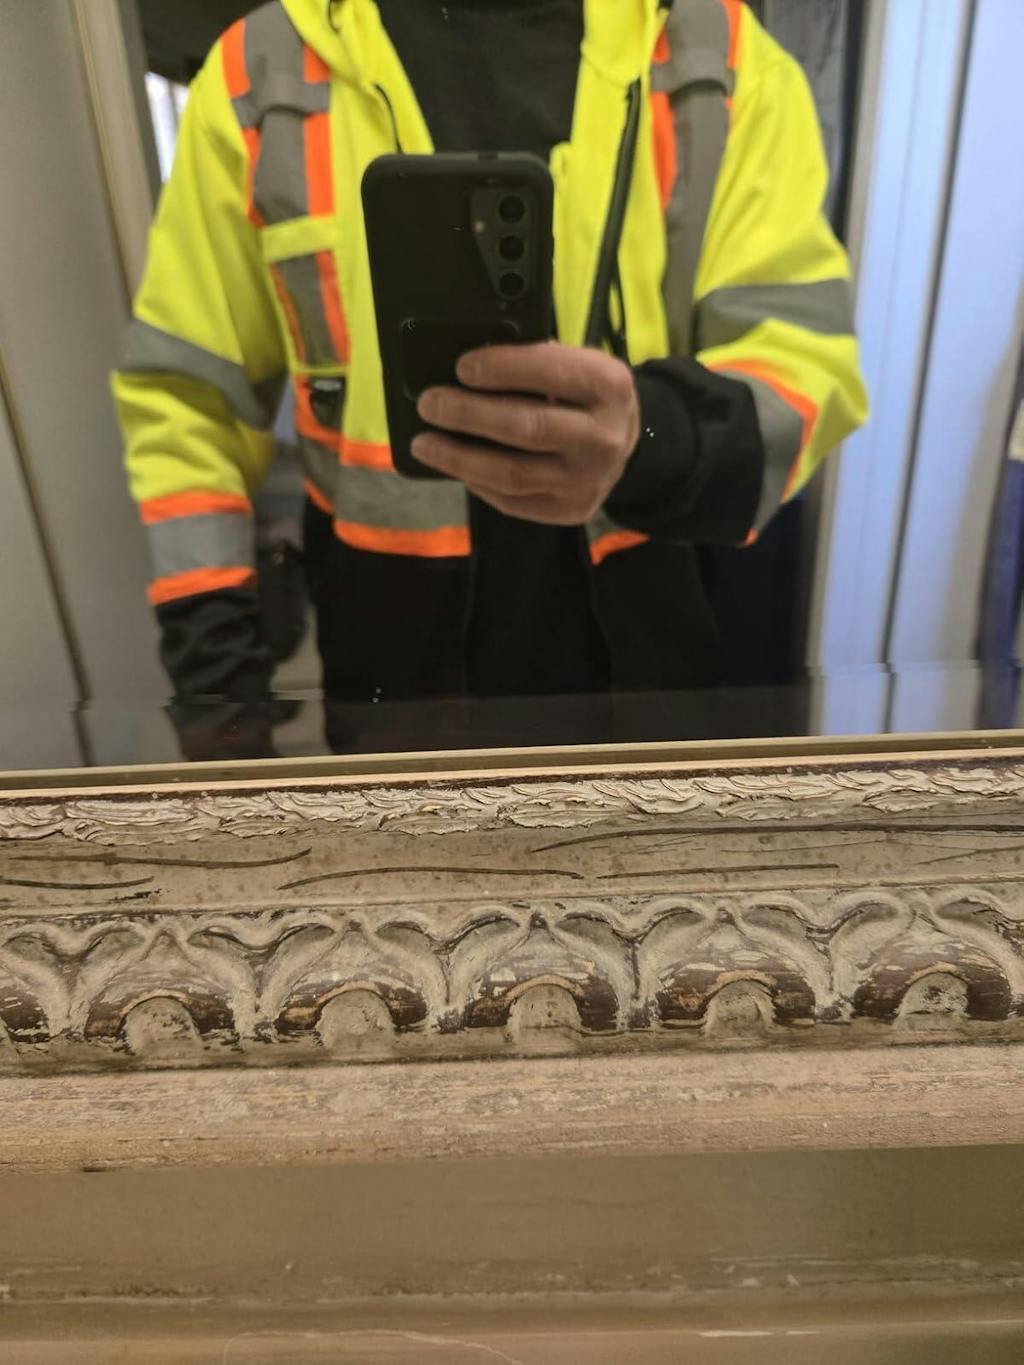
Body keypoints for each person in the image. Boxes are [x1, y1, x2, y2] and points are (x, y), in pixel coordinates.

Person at [114, 0, 867, 758]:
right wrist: (219, 689)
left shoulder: (719, 56)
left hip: (644, 657)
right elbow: (188, 400)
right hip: (389, 675)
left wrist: (647, 436)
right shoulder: (261, 72)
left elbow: (800, 365)